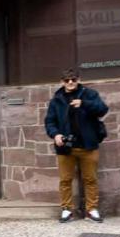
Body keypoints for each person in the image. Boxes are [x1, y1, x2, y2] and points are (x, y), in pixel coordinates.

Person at [44, 70, 109, 223]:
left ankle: (92, 210)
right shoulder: (56, 100)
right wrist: (55, 134)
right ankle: (67, 210)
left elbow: (103, 109)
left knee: (90, 179)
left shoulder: (89, 94)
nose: (70, 82)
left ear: (78, 79)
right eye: (67, 80)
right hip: (66, 147)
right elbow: (50, 122)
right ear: (62, 82)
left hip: (88, 145)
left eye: (73, 79)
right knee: (65, 180)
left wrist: (84, 104)